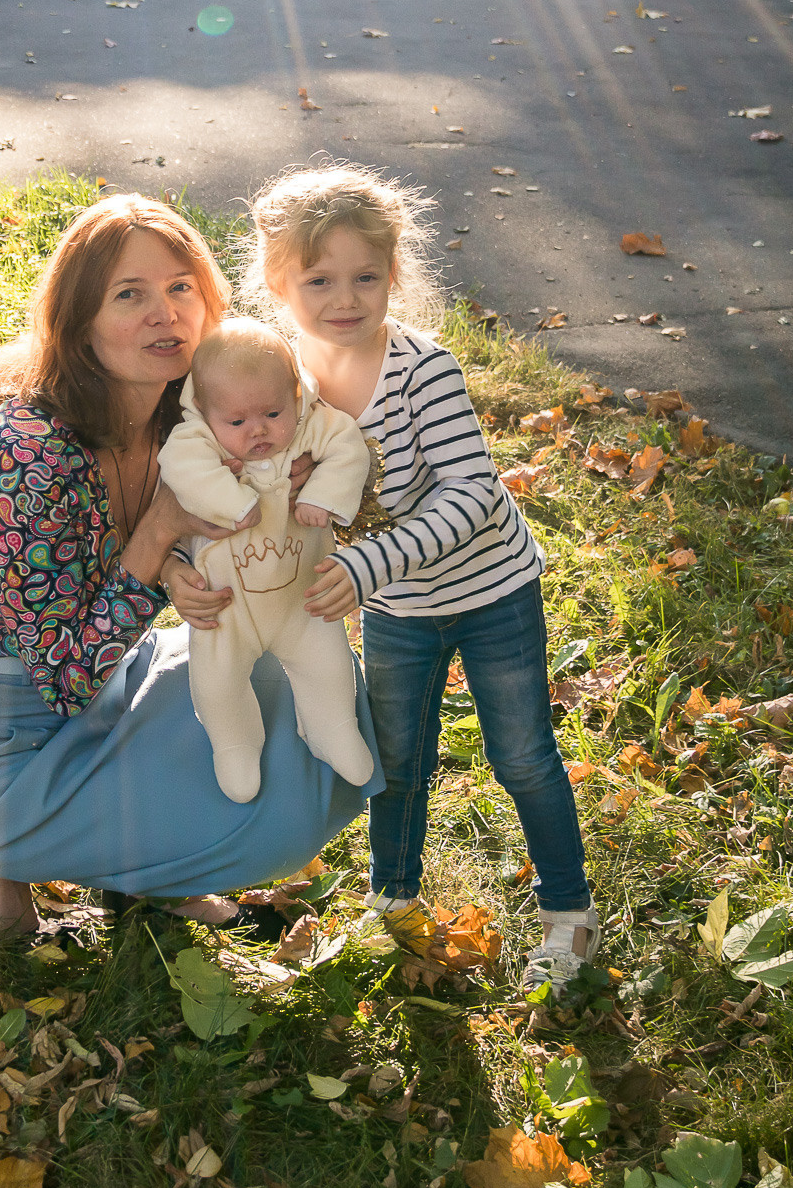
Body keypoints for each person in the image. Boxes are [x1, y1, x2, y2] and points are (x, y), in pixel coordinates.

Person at [0, 192, 382, 935]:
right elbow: (64, 676)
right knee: (256, 808)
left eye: (181, 288)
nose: (166, 313)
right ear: (80, 321)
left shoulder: (185, 415)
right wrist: (157, 536)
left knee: (295, 694)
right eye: (131, 295)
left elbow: (315, 428)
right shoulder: (23, 459)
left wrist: (298, 484)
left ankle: (142, 875)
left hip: (108, 687)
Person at [240, 164, 599, 995]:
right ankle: (393, 901)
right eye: (319, 279)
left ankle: (568, 913)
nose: (345, 297)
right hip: (399, 608)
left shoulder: (419, 370)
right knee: (396, 759)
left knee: (522, 756)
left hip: (490, 594)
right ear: (277, 283)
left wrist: (364, 564)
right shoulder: (283, 383)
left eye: (367, 276)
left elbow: (474, 492)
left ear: (394, 275)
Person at [158, 317, 376, 803]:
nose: (257, 430)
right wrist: (233, 503)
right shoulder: (200, 443)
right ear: (205, 413)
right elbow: (181, 467)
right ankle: (235, 744)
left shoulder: (306, 428)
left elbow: (347, 444)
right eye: (237, 421)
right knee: (216, 682)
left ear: (296, 395)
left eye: (272, 413)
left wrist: (323, 492)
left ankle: (332, 729)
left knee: (329, 664)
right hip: (227, 608)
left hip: (303, 597)